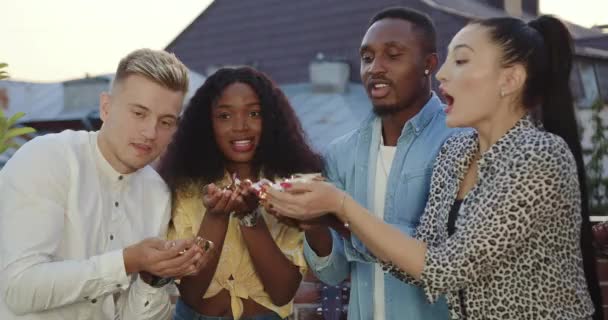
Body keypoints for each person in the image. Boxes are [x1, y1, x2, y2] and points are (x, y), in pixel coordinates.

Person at [264, 15, 602, 319]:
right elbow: (417, 265)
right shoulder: (457, 153)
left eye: (462, 60)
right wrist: (329, 218)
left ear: (509, 79)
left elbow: (445, 269)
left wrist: (341, 205)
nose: (442, 74)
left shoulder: (538, 156)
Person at [0, 49, 210, 320]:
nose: (150, 132)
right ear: (106, 107)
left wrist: (154, 277)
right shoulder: (47, 158)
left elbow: (128, 315)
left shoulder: (156, 193)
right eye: (139, 113)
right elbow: (18, 288)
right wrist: (126, 261)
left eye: (165, 122)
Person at [298, 7, 455, 320]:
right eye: (367, 57)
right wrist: (313, 222)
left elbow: (443, 256)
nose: (375, 68)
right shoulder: (340, 153)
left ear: (429, 64)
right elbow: (332, 272)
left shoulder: (461, 143)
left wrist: (345, 216)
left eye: (393, 55)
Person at [157, 67, 324, 320]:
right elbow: (191, 294)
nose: (240, 126)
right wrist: (215, 217)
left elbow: (283, 293)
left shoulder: (288, 187)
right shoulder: (185, 187)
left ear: (270, 119)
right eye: (224, 116)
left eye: (254, 113)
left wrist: (251, 218)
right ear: (207, 124)